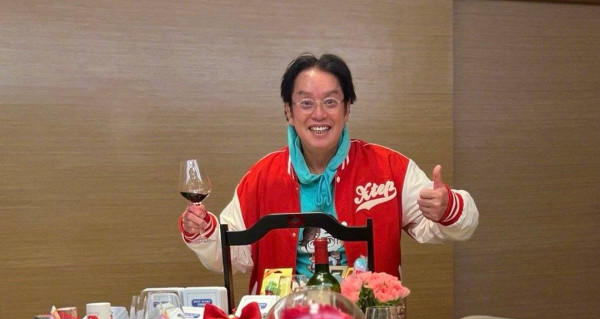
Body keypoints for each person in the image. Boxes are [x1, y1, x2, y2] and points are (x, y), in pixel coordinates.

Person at [180, 53, 479, 294]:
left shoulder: (388, 168)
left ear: (347, 109)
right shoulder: (263, 176)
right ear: (289, 111)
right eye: (306, 103)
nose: (319, 113)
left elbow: (456, 226)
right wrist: (203, 230)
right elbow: (233, 254)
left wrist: (447, 207)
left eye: (331, 101)